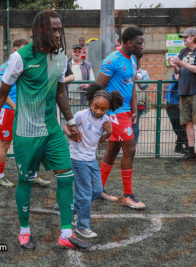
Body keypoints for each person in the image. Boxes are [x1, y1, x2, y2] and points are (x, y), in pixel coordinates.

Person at [0, 10, 92, 251]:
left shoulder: (61, 55)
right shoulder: (20, 58)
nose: (57, 33)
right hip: (26, 133)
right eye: (52, 29)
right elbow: (0, 94)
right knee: (26, 182)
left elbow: (60, 92)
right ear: (38, 30)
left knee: (66, 177)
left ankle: (65, 234)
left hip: (52, 131)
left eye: (59, 29)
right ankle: (24, 231)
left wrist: (71, 123)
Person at [96, 26, 146, 209]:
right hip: (114, 113)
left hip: (125, 112)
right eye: (139, 43)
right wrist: (101, 113)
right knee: (130, 150)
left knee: (112, 151)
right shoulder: (112, 60)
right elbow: (98, 87)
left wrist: (133, 109)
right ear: (128, 43)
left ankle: (97, 189)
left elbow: (132, 85)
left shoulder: (133, 59)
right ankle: (128, 196)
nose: (142, 46)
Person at [0, 39, 51, 188]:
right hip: (9, 111)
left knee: (31, 144)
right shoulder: (4, 67)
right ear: (15, 51)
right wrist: (15, 106)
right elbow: (0, 91)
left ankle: (32, 175)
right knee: (5, 144)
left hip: (28, 112)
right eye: (23, 50)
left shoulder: (30, 66)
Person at [70, 83, 123, 238]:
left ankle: (72, 209)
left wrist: (109, 132)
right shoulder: (81, 115)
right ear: (91, 103)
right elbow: (66, 127)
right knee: (85, 193)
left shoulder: (106, 120)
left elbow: (101, 141)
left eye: (103, 109)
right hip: (78, 158)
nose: (99, 111)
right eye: (96, 107)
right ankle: (82, 225)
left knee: (98, 190)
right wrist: (71, 134)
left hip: (91, 159)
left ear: (109, 108)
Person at [168, 28, 196, 166]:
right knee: (187, 122)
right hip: (184, 90)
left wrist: (180, 63)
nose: (184, 39)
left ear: (194, 37)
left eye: (186, 37)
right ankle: (190, 152)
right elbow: (178, 72)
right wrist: (174, 66)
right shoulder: (183, 51)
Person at [66, 44, 95, 114]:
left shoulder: (88, 65)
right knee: (69, 119)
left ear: (82, 53)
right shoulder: (66, 64)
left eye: (79, 51)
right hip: (68, 97)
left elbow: (93, 82)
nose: (77, 53)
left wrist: (87, 85)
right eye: (75, 51)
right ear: (71, 52)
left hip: (83, 98)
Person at [165, 73, 188, 154]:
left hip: (185, 100)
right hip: (173, 101)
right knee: (178, 125)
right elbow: (177, 77)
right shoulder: (179, 68)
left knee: (184, 125)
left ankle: (179, 146)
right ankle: (188, 144)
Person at [132, 56, 150, 147]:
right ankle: (123, 145)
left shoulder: (143, 73)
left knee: (135, 124)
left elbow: (145, 86)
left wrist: (137, 79)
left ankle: (134, 145)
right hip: (125, 102)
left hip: (137, 102)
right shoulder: (124, 70)